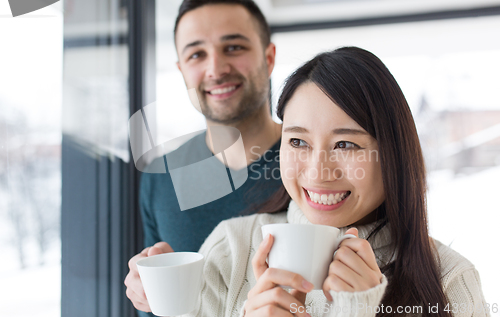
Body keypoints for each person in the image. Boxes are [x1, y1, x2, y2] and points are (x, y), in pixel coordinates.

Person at [131, 47, 488, 317]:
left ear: (391, 155)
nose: (318, 171)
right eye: (298, 141)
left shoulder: (452, 281)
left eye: (345, 144)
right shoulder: (232, 248)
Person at [125, 0, 283, 314]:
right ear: (182, 70)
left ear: (268, 59)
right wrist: (144, 297)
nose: (216, 68)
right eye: (197, 54)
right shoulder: (161, 176)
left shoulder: (317, 163)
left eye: (234, 47)